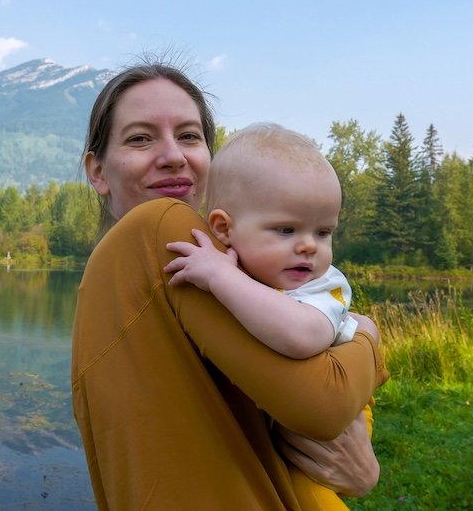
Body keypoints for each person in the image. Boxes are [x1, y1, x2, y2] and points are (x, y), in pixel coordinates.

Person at [72, 61, 389, 509]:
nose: (173, 155)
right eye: (140, 138)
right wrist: (370, 338)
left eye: (189, 136)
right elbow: (326, 406)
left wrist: (358, 467)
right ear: (98, 171)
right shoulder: (163, 228)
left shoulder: (107, 287)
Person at [163, 124, 376, 510]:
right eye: (286, 229)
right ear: (224, 229)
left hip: (333, 431)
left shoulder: (322, 286)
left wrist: (221, 277)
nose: (310, 245)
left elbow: (303, 337)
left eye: (324, 232)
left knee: (310, 498)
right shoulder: (251, 278)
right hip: (277, 427)